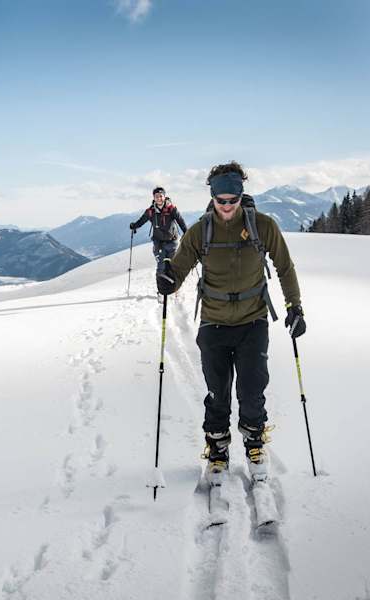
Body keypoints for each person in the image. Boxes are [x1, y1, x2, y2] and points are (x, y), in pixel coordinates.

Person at [156, 161, 306, 481]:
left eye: (232, 199)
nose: (226, 206)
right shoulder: (201, 230)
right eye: (220, 199)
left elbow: (285, 266)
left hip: (254, 321)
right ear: (211, 196)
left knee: (253, 390)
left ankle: (254, 443)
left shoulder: (262, 226)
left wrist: (295, 306)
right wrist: (169, 279)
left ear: (241, 194)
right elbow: (179, 268)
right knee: (217, 391)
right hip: (214, 322)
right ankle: (218, 447)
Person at [129, 187, 188, 297]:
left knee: (173, 266)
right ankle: (161, 291)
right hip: (159, 243)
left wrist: (186, 232)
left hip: (172, 241)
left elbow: (180, 220)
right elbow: (142, 220)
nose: (159, 198)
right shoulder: (151, 211)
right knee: (161, 267)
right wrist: (134, 226)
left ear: (164, 196)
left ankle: (175, 288)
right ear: (154, 198)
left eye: (161, 196)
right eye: (157, 196)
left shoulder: (171, 209)